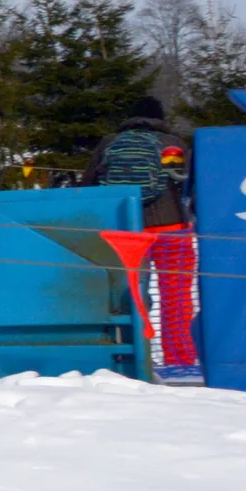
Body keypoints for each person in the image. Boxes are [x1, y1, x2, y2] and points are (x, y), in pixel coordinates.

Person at [83, 96, 197, 371]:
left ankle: (130, 356)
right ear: (160, 117)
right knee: (177, 297)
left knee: (127, 295)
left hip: (126, 230)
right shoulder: (174, 144)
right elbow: (191, 186)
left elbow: (89, 184)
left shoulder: (110, 143)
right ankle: (179, 359)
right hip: (172, 230)